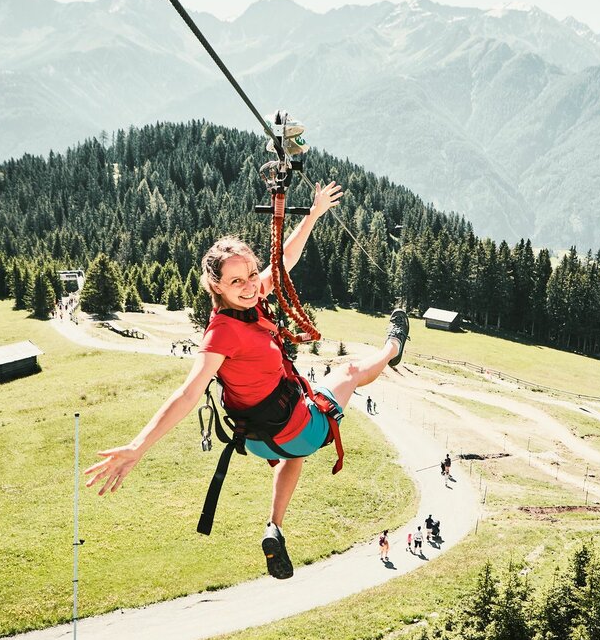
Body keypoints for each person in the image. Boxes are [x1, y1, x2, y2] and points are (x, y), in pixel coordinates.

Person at [84, 181, 410, 581]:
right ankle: (395, 345)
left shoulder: (249, 303)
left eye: (252, 274)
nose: (251, 285)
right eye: (237, 281)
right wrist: (138, 447)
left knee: (294, 456)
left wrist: (313, 214)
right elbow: (189, 392)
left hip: (257, 439)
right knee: (351, 372)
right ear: (216, 286)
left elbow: (284, 261)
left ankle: (275, 526)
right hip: (297, 429)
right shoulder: (221, 334)